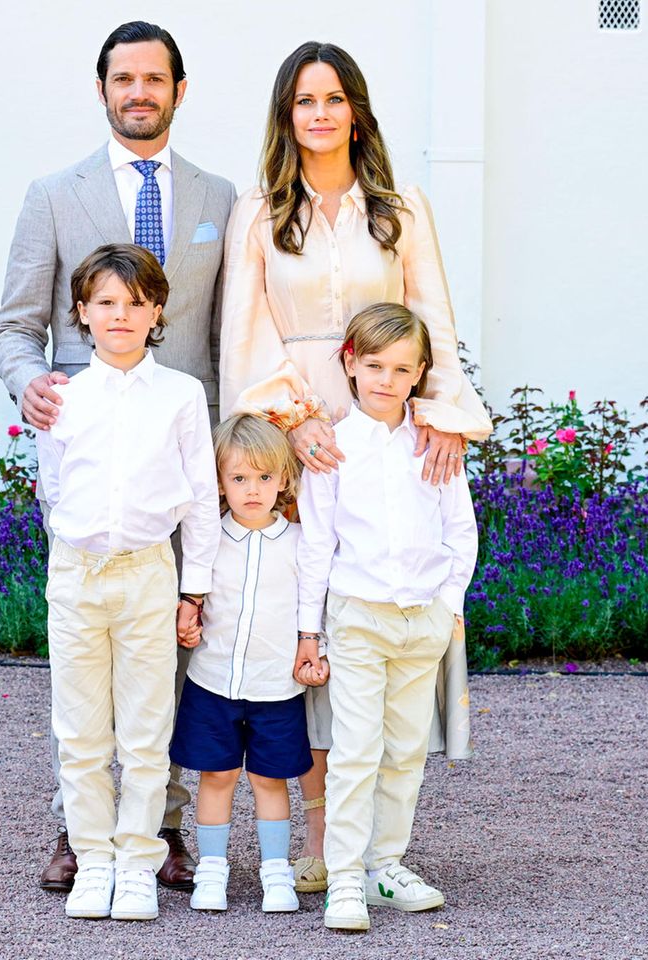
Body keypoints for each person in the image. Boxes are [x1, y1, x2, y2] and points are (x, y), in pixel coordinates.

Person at [219, 40, 492, 892]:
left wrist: (442, 415)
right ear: (286, 115)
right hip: (305, 439)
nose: (321, 113)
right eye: (305, 100)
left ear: (357, 110)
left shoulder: (400, 207)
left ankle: (375, 850)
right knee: (311, 638)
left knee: (383, 633)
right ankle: (315, 842)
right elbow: (246, 335)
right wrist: (294, 423)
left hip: (393, 431)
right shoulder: (261, 213)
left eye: (335, 98)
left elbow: (433, 323)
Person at [0, 20, 236, 892]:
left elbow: (228, 333)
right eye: (123, 78)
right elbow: (17, 325)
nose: (139, 92)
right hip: (89, 449)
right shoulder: (54, 195)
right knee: (86, 658)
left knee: (174, 644)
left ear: (179, 90)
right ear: (102, 90)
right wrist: (29, 385)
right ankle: (79, 827)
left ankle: (160, 826)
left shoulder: (219, 198)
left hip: (185, 455)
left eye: (155, 78)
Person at [36, 244, 220, 921]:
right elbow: (54, 490)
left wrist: (192, 590)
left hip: (149, 574)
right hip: (78, 574)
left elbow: (201, 498)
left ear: (157, 312)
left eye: (135, 303)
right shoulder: (62, 396)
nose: (121, 315)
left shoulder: (179, 395)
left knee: (147, 730)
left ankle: (139, 858)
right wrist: (77, 551)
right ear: (82, 312)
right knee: (80, 730)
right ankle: (93, 858)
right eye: (106, 303)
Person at [296, 303, 478, 931]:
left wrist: (446, 606)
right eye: (373, 365)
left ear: (420, 372)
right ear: (350, 363)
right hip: (357, 618)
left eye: (402, 369)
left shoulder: (434, 444)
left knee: (405, 749)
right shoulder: (333, 447)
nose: (386, 379)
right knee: (356, 747)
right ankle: (343, 876)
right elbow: (316, 543)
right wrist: (308, 631)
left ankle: (384, 864)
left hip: (421, 619)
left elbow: (462, 533)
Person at [169, 415, 319, 914]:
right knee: (216, 777)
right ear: (218, 482)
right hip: (213, 682)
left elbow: (315, 607)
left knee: (270, 781)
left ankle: (275, 874)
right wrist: (186, 620)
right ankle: (212, 872)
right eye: (238, 478)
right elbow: (194, 598)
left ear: (283, 480)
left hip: (277, 687)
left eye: (263, 477)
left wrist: (318, 649)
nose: (252, 490)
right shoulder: (207, 542)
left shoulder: (300, 544)